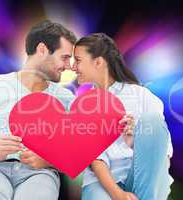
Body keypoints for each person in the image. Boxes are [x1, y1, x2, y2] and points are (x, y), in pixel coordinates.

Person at [0, 20, 77, 200]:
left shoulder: (66, 99)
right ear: (42, 50)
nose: (68, 66)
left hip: (40, 174)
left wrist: (47, 161)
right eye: (64, 57)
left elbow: (76, 157)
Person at [71, 33, 174, 200]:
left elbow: (163, 151)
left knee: (152, 121)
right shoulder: (84, 105)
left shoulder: (141, 95)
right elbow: (94, 158)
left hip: (144, 177)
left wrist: (135, 142)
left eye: (78, 60)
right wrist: (117, 194)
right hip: (101, 181)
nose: (73, 67)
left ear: (98, 62)